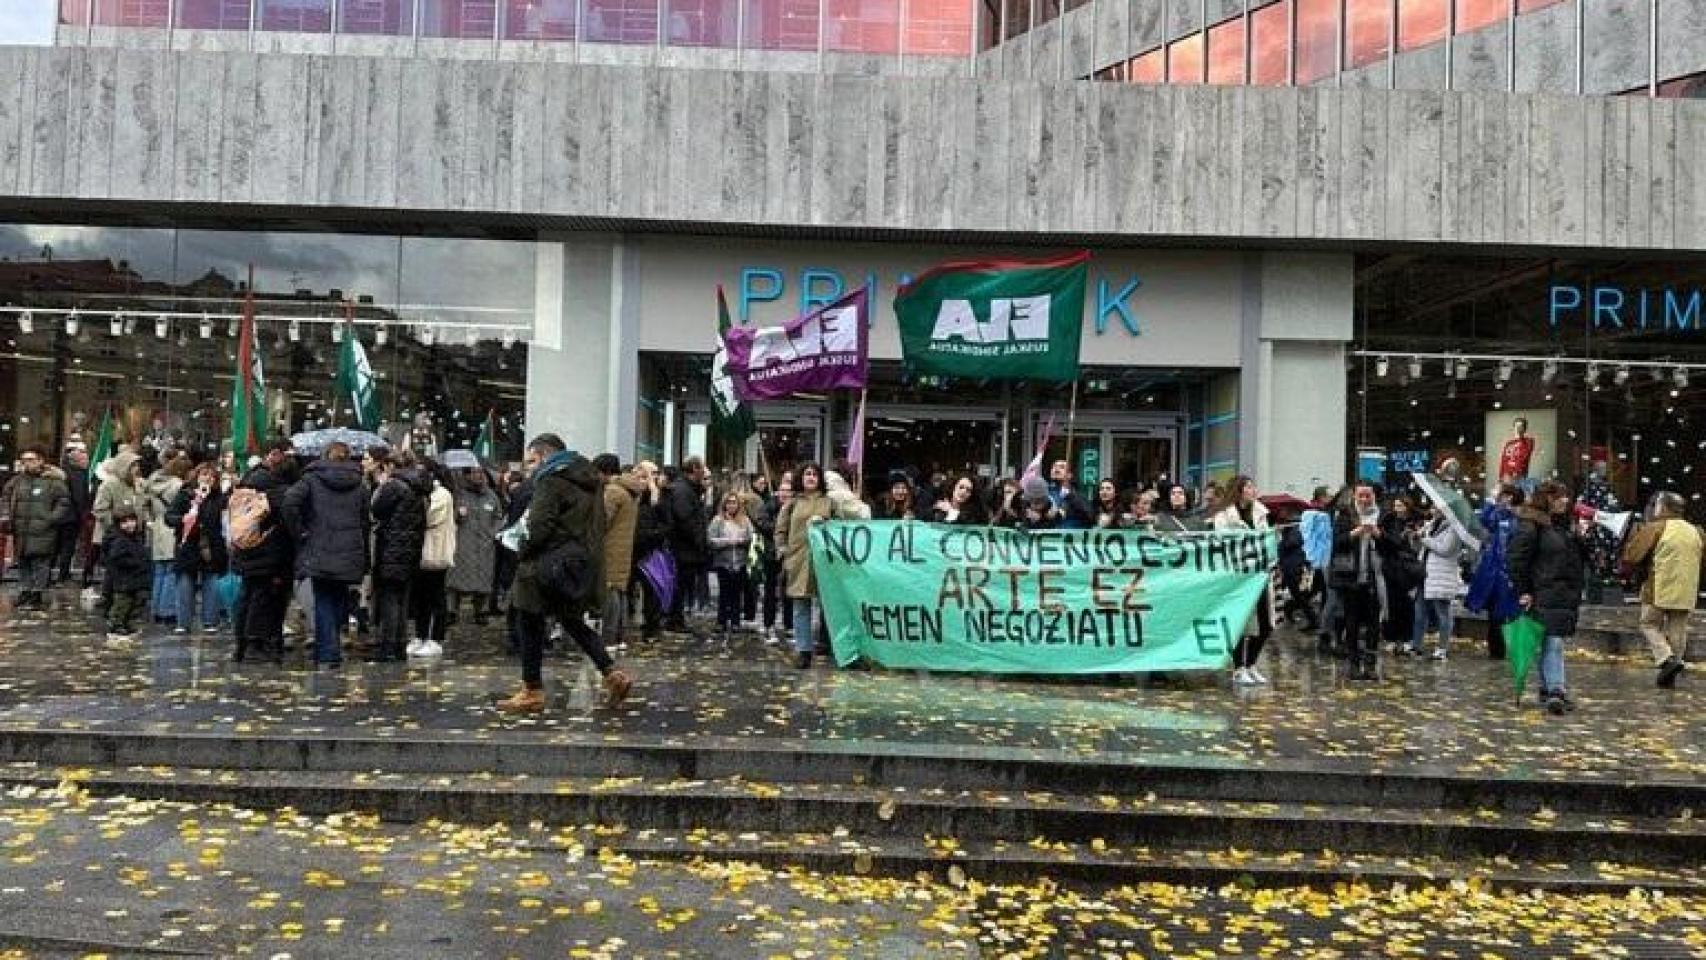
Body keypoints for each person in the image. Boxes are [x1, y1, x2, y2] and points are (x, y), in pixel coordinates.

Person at [499, 433, 632, 714]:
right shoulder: (589, 480)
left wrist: (520, 547)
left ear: (545, 455)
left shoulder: (551, 479)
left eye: (532, 461)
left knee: (528, 619)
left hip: (542, 564)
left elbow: (539, 527)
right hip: (573, 563)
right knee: (572, 620)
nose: (530, 468)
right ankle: (611, 673)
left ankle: (532, 689)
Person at [284, 442, 371, 668]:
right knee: (339, 596)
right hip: (350, 549)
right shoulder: (359, 484)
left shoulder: (311, 480)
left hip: (319, 545)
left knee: (323, 598)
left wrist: (300, 531)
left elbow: (289, 503)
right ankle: (333, 642)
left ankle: (327, 651)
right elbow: (365, 521)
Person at [1506, 481, 1587, 715]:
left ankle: (1547, 689)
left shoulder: (1563, 527)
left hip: (1562, 594)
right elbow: (1517, 559)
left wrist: (1581, 539)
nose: (1565, 501)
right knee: (1553, 642)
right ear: (1548, 498)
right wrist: (1523, 590)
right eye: (1560, 497)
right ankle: (1556, 690)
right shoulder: (1532, 526)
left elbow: (1575, 559)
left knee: (1551, 641)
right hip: (1543, 592)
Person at [1621, 491, 1701, 688]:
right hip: (1687, 588)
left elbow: (1633, 555)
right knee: (1678, 629)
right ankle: (1672, 670)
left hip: (1658, 586)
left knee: (1648, 624)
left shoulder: (1656, 527)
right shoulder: (1695, 531)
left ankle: (1667, 659)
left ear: (1663, 507)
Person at [230, 440, 297, 663]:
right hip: (270, 553)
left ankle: (242, 644)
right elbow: (288, 525)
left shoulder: (250, 480)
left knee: (247, 596)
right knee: (264, 599)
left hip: (246, 547)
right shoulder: (280, 491)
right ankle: (256, 645)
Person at [1213, 476, 1274, 685]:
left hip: (1259, 573)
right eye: (1248, 486)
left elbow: (1266, 539)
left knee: (1267, 624)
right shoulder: (1224, 516)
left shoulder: (1261, 513)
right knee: (1241, 623)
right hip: (1237, 576)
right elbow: (1221, 541)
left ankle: (1251, 664)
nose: (1252, 489)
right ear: (1239, 490)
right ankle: (1239, 667)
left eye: (1252, 486)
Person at [1329, 484, 1391, 682]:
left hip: (1375, 577)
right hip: (1351, 577)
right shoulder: (1346, 516)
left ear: (1374, 495)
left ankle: (1370, 664)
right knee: (1352, 622)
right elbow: (1336, 543)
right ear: (1354, 496)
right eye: (1361, 496)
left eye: (1368, 495)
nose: (1364, 500)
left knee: (1374, 623)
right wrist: (1354, 533)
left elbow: (1395, 545)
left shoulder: (1383, 515)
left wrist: (1378, 534)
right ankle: (1354, 664)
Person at [1, 446, 70, 611]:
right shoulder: (17, 480)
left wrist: (51, 518)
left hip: (43, 530)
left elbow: (64, 502)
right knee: (23, 561)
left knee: (40, 562)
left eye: (31, 460)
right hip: (21, 529)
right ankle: (25, 590)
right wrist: (7, 516)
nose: (27, 464)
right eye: (24, 460)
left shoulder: (53, 482)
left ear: (40, 460)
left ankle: (37, 593)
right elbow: (6, 496)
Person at [166, 463, 230, 635]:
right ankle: (183, 622)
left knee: (211, 584)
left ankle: (210, 621)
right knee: (185, 584)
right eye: (204, 474)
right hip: (188, 547)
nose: (207, 478)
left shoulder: (220, 498)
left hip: (212, 548)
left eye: (212, 476)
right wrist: (183, 519)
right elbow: (169, 517)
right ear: (197, 476)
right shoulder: (185, 495)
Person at [594, 455, 643, 651]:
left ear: (604, 472)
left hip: (610, 547)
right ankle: (620, 636)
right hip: (623, 547)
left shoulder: (612, 492)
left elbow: (601, 521)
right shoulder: (629, 491)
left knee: (610, 590)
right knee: (620, 590)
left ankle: (609, 637)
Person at [410, 460, 457, 658]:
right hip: (422, 551)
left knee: (436, 596)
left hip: (435, 551)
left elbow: (428, 518)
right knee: (421, 597)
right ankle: (420, 635)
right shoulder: (426, 493)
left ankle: (436, 637)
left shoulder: (442, 495)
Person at [447, 466, 502, 627]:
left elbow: (498, 516)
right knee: (454, 580)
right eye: (474, 472)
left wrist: (493, 533)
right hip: (462, 544)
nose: (478, 476)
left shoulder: (491, 496)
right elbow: (447, 517)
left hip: (484, 544)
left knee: (483, 579)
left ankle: (481, 611)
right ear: (466, 475)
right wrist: (457, 514)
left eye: (481, 472)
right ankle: (451, 611)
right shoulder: (458, 495)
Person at [661, 457, 711, 635]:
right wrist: (698, 540)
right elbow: (685, 520)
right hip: (684, 548)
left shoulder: (688, 489)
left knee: (682, 585)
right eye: (702, 468)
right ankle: (674, 619)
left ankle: (676, 618)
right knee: (680, 584)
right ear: (695, 469)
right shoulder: (683, 491)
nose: (704, 472)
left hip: (687, 547)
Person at [1413, 502, 1466, 661]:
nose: (1433, 510)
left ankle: (1442, 648)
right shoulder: (1432, 525)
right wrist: (1418, 537)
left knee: (1442, 612)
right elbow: (1422, 547)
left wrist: (1425, 539)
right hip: (1425, 573)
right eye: (1433, 507)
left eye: (1436, 507)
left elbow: (1446, 549)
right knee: (1419, 610)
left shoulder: (1455, 527)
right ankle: (1416, 644)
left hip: (1441, 575)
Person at [92, 451, 152, 594]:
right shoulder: (109, 485)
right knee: (113, 568)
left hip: (133, 534)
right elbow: (100, 509)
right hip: (113, 536)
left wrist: (145, 520)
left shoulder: (139, 484)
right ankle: (108, 597)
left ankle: (126, 596)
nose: (136, 469)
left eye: (137, 465)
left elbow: (143, 505)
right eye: (133, 465)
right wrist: (116, 526)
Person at [143, 457, 188, 624]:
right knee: (171, 570)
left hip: (157, 525)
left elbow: (144, 504)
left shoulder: (152, 482)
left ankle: (155, 608)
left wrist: (149, 521)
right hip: (171, 526)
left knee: (159, 571)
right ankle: (167, 609)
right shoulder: (178, 486)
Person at [707, 491, 754, 642]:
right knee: (724, 593)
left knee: (736, 593)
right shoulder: (717, 520)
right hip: (723, 561)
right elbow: (710, 539)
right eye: (729, 502)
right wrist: (726, 541)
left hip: (740, 561)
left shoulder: (745, 521)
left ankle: (735, 621)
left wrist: (741, 540)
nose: (731, 505)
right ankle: (721, 621)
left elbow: (751, 537)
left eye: (734, 502)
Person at [1380, 496, 1423, 655]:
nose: (1397, 509)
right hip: (1391, 566)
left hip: (1408, 567)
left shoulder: (1414, 522)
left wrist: (1411, 536)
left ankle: (1406, 637)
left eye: (1400, 505)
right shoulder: (1388, 521)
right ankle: (1391, 637)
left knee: (1406, 604)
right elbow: (1386, 543)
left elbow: (1414, 546)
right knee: (1391, 603)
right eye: (1395, 505)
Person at [102, 506, 151, 644]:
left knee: (133, 604)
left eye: (132, 520)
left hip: (133, 579)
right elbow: (115, 558)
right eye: (125, 522)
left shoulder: (134, 538)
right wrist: (135, 562)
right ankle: (116, 626)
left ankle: (126, 625)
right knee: (122, 604)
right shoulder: (119, 540)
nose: (130, 524)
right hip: (123, 580)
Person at [760, 476, 794, 643]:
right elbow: (763, 525)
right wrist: (780, 528)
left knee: (789, 591)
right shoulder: (769, 506)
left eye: (788, 491)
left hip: (790, 554)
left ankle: (789, 625)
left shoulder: (794, 508)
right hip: (772, 554)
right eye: (783, 490)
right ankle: (769, 624)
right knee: (770, 591)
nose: (785, 494)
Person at [55, 447, 92, 585]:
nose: (87, 461)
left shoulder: (65, 472)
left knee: (62, 545)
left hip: (63, 514)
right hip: (72, 516)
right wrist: (83, 513)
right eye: (84, 459)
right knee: (68, 546)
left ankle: (57, 573)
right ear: (76, 461)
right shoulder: (78, 474)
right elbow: (78, 496)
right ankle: (63, 575)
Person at [1046, 460, 1094, 529]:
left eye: (1061, 467)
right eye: (1054, 467)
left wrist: (1070, 495)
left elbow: (1089, 516)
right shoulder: (1043, 493)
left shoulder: (1078, 495)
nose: (1056, 469)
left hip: (1071, 537)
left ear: (1069, 475)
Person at [1499, 416, 1535, 486]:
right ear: (1513, 428)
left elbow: (1523, 458)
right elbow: (1503, 460)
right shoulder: (1508, 443)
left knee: (1517, 495)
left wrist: (1516, 472)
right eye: (1516, 426)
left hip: (1518, 477)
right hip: (1506, 477)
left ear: (1524, 429)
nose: (1518, 428)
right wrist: (1500, 477)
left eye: (1520, 426)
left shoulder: (1528, 442)